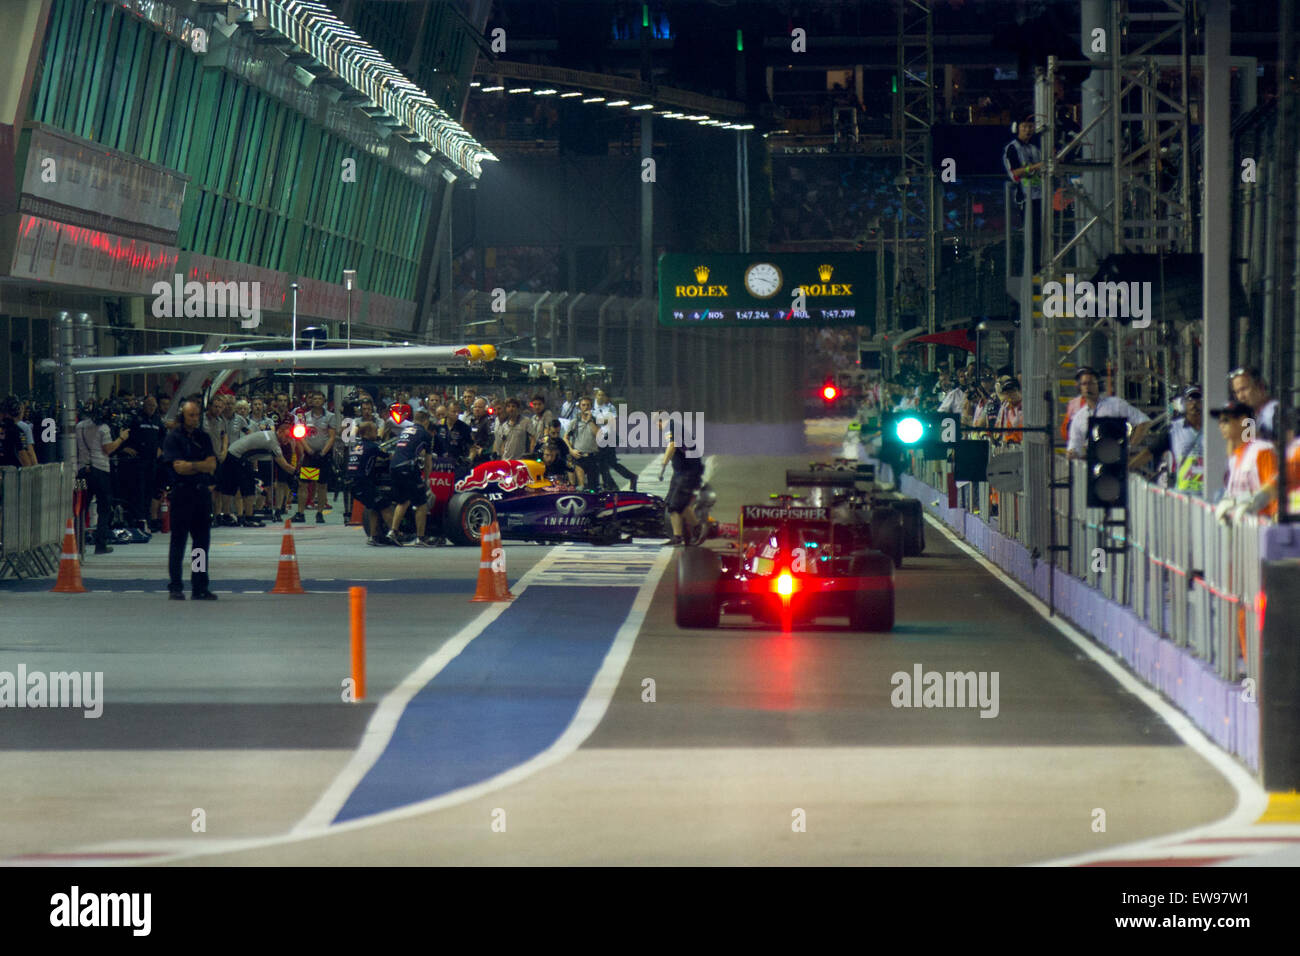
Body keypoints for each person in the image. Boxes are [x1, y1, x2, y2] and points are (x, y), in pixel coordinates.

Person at [162, 399, 218, 600]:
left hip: (201, 494)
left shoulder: (203, 437)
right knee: (178, 542)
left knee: (201, 544)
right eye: (190, 415)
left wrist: (192, 466)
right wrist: (199, 465)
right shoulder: (173, 438)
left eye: (196, 415)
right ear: (182, 416)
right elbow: (178, 467)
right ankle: (175, 586)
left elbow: (211, 465)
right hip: (182, 493)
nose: (194, 419)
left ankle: (199, 585)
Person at [76, 402, 129, 555]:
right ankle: (101, 544)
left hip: (81, 470)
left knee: (79, 506)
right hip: (100, 471)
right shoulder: (104, 428)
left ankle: (77, 543)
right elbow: (108, 449)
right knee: (104, 508)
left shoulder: (79, 426)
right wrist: (121, 438)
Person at [1212, 401, 1278, 524]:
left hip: (1261, 525)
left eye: (1226, 420)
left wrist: (1251, 503)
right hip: (1242, 529)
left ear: (1243, 421)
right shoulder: (1235, 457)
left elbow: (1274, 488)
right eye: (1220, 422)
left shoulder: (1262, 450)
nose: (1221, 426)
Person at [1066, 366, 1152, 458]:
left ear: (1099, 385)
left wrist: (1129, 447)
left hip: (1118, 461)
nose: (1087, 387)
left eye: (1091, 383)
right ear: (1080, 388)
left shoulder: (1115, 404)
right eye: (1084, 384)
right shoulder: (1079, 417)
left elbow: (1144, 421)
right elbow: (1074, 445)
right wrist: (1072, 453)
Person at [386, 410, 435, 547]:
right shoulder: (425, 434)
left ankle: (393, 532)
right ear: (425, 421)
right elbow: (428, 461)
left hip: (394, 467)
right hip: (407, 468)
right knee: (421, 503)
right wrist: (426, 479)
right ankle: (420, 538)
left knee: (403, 501)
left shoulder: (405, 430)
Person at [345, 422, 397, 545]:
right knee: (384, 505)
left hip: (350, 483)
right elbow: (389, 455)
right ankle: (395, 534)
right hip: (362, 482)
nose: (377, 432)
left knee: (374, 506)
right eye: (375, 430)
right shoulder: (372, 446)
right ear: (368, 433)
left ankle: (373, 537)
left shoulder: (356, 446)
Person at [120, 395, 164, 540]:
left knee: (150, 492)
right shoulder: (136, 419)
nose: (151, 408)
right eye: (149, 405)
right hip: (138, 462)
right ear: (144, 406)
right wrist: (125, 447)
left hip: (152, 462)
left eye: (153, 406)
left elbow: (163, 437)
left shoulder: (158, 420)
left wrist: (160, 449)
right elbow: (123, 434)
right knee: (138, 491)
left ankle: (148, 520)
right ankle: (138, 520)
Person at [1003, 115, 1044, 271]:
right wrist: (1034, 167)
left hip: (1040, 195)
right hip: (1025, 197)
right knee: (1031, 233)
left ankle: (1040, 263)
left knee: (1040, 232)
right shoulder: (1013, 148)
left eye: (1030, 127)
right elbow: (1014, 173)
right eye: (1024, 127)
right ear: (1016, 129)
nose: (1027, 130)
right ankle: (1031, 266)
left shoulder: (1034, 149)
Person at [659, 414, 703, 546]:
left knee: (675, 505)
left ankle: (679, 536)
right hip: (680, 471)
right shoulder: (674, 426)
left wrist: (663, 465)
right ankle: (696, 528)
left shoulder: (669, 427)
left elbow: (672, 445)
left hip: (687, 472)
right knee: (672, 503)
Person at [295, 391, 338, 524]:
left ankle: (320, 513)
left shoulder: (330, 417)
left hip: (323, 455)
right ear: (311, 401)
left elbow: (332, 437)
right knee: (304, 484)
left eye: (320, 398)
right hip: (310, 455)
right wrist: (308, 450)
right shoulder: (304, 417)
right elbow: (299, 434)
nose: (317, 401)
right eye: (315, 398)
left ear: (324, 401)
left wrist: (323, 453)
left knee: (322, 485)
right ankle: (300, 513)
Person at [1228, 365, 1279, 443]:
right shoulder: (1250, 416)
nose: (1241, 396)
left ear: (1260, 387)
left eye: (1244, 389)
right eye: (1237, 392)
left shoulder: (1275, 411)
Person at [565, 396, 602, 488]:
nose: (586, 407)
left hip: (592, 457)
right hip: (579, 457)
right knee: (581, 486)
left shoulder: (596, 421)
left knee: (593, 486)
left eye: (588, 405)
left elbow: (599, 436)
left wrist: (589, 421)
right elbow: (565, 437)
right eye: (583, 405)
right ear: (580, 407)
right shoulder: (575, 422)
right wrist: (571, 450)